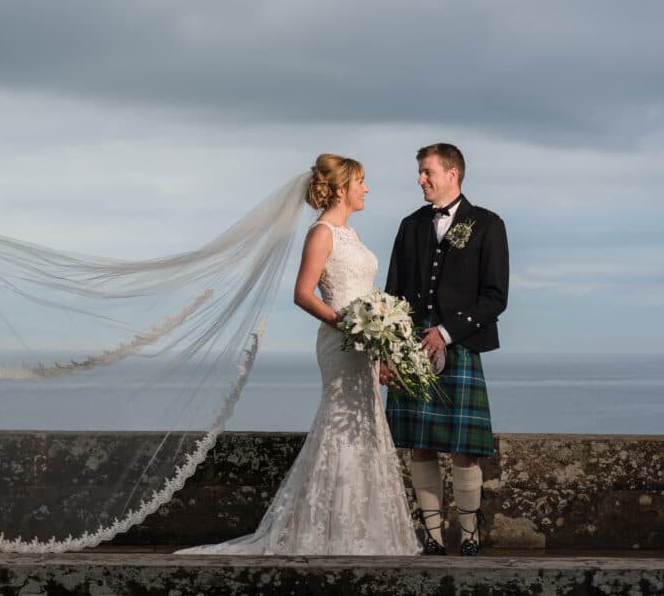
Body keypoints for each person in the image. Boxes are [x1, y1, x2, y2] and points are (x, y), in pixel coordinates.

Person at [177, 155, 421, 555]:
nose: (367, 188)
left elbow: (367, 295)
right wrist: (349, 324)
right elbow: (302, 293)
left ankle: (364, 530)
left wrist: (381, 343)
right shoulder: (322, 232)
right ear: (341, 188)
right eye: (361, 181)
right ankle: (335, 532)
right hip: (341, 342)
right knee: (341, 424)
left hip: (365, 345)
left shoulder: (352, 236)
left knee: (366, 423)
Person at [382, 143, 509, 557]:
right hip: (412, 346)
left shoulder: (488, 224)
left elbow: (495, 297)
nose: (420, 179)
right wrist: (390, 352)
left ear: (452, 173)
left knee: (465, 450)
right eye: (420, 173)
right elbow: (393, 295)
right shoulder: (411, 225)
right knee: (420, 444)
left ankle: (470, 535)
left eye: (426, 172)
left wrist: (447, 332)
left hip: (460, 344)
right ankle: (433, 537)